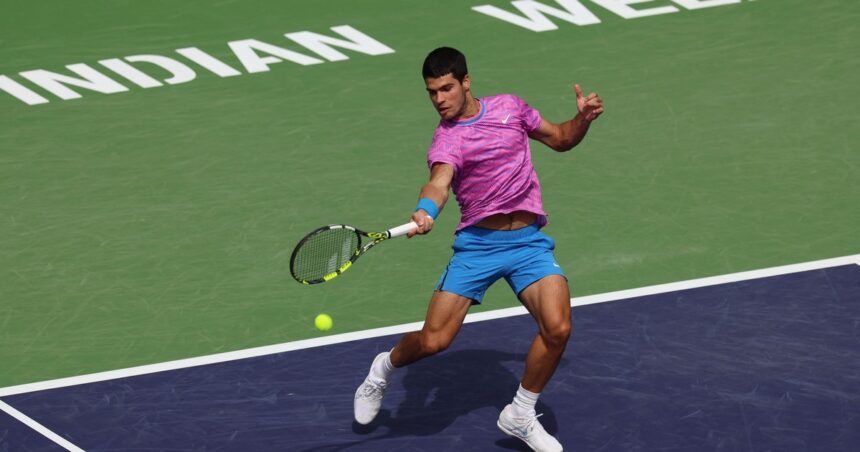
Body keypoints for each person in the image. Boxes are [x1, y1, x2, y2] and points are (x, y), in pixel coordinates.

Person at [353, 47, 604, 452]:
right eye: (432, 92)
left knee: (558, 328)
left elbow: (560, 139)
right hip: (478, 248)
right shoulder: (446, 139)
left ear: (466, 82)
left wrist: (583, 119)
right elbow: (439, 181)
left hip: (528, 243)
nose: (439, 100)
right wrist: (425, 209)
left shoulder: (511, 108)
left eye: (446, 89)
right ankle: (383, 368)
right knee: (434, 341)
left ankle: (520, 413)